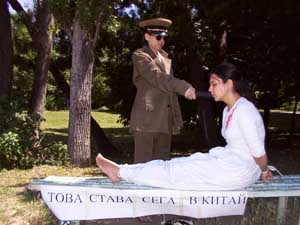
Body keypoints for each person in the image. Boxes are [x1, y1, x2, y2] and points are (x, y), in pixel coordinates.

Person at [96, 63, 272, 191]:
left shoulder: (245, 111)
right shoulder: (229, 110)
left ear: (230, 84)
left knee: (179, 173)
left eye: (214, 83)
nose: (210, 88)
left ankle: (120, 172)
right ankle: (122, 170)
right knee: (179, 164)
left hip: (240, 170)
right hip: (229, 161)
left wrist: (264, 172)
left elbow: (258, 153)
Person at [130, 17, 196, 163]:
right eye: (158, 37)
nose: (162, 41)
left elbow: (169, 92)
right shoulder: (140, 56)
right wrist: (183, 87)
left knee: (161, 168)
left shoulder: (164, 58)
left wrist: (175, 118)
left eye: (164, 37)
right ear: (147, 36)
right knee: (143, 167)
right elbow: (157, 77)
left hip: (165, 121)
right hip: (146, 121)